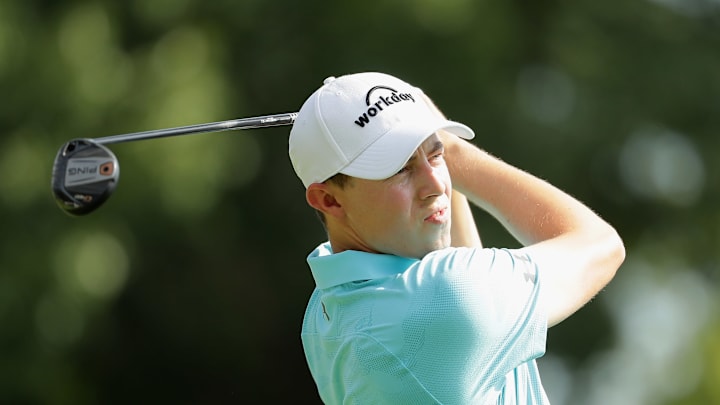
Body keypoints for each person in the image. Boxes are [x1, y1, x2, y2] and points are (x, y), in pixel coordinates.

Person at [288, 72, 625, 404]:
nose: (436, 184)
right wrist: (455, 151)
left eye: (435, 156)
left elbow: (461, 276)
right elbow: (600, 244)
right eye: (400, 169)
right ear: (329, 200)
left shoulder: (324, 313)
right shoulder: (444, 298)